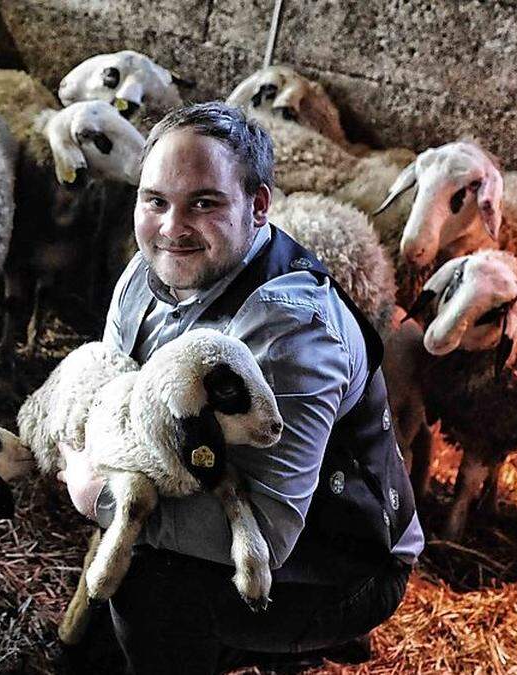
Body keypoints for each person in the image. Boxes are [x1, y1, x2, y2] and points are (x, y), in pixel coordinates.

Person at [58, 102, 423, 674]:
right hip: (208, 480)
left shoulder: (293, 335)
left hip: (338, 553)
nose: (172, 228)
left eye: (204, 202)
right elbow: (113, 398)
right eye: (155, 201)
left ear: (258, 205)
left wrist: (99, 494)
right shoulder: (142, 277)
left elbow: (271, 534)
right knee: (121, 573)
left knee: (150, 581)